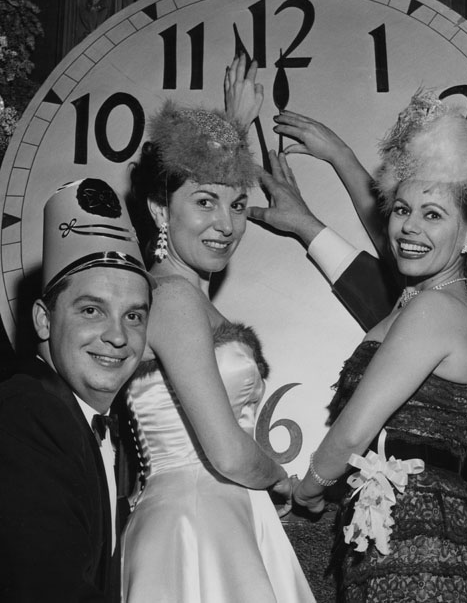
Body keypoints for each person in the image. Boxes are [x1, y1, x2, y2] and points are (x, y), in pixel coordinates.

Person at [257, 89, 467, 602]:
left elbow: (352, 433)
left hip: (419, 543)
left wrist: (307, 491)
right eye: (403, 210)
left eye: (433, 215)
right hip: (401, 528)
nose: (410, 226)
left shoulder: (432, 309)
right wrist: (339, 157)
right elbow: (397, 234)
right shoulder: (424, 296)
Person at [119, 56, 315, 603]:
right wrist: (282, 479)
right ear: (160, 210)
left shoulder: (185, 300)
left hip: (223, 515)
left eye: (238, 205)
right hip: (196, 523)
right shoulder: (172, 297)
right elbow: (228, 455)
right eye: (204, 203)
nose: (226, 225)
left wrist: (233, 127)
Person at [0, 177, 153, 602]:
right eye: (91, 310)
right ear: (43, 320)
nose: (117, 336)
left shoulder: (67, 414)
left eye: (133, 316)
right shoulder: (29, 418)